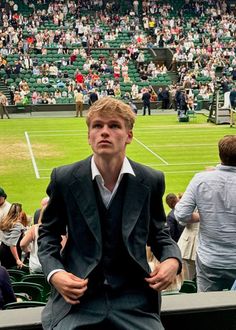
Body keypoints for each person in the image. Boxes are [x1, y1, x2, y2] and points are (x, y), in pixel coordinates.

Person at [38, 97, 181, 330]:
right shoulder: (64, 179)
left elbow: (159, 233)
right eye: (97, 126)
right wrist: (55, 274)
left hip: (134, 299)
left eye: (114, 126)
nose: (105, 132)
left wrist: (172, 259)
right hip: (77, 298)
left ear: (129, 136)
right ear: (89, 136)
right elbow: (48, 235)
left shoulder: (151, 180)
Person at [174, 135, 236, 292]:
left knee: (208, 309)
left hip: (211, 260)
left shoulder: (201, 179)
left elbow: (181, 214)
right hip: (215, 258)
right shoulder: (203, 179)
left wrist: (205, 215)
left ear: (220, 154)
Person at [0, 203, 27, 269]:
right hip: (11, 254)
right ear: (20, 213)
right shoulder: (17, 225)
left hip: (3, 249)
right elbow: (12, 244)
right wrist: (17, 259)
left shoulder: (5, 221)